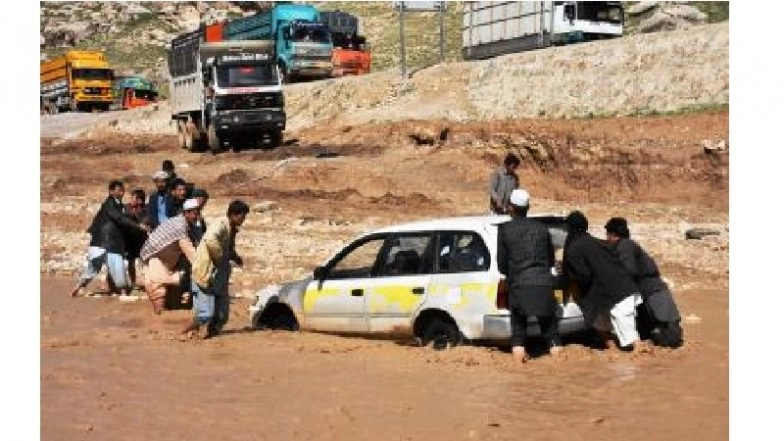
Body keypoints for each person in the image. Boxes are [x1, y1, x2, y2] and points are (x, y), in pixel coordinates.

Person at [563, 211, 646, 352]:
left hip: (611, 292)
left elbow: (584, 276)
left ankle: (628, 348)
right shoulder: (597, 242)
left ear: (569, 228)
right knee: (609, 321)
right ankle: (617, 347)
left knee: (620, 326)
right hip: (621, 287)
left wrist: (570, 283)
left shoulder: (573, 248)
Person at [497, 189, 562, 363]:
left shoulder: (505, 230)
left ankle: (518, 372)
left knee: (518, 334)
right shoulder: (541, 228)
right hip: (543, 284)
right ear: (528, 207)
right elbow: (550, 259)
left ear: (511, 207)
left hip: (519, 285)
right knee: (551, 332)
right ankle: (560, 365)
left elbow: (501, 264)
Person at [604, 217, 683, 348]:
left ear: (613, 235)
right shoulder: (625, 245)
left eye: (608, 235)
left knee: (671, 334)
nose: (607, 238)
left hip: (652, 289)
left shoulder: (625, 245)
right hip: (643, 291)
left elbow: (629, 269)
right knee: (648, 330)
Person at [182, 200, 249, 339]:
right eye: (243, 216)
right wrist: (219, 259)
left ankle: (211, 335)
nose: (244, 220)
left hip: (220, 275)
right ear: (235, 215)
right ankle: (184, 331)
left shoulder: (232, 228)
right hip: (206, 272)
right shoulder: (220, 224)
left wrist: (235, 257)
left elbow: (228, 247)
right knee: (206, 314)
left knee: (222, 316)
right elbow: (211, 240)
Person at [69, 181, 148, 297]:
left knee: (113, 268)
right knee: (96, 268)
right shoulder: (109, 205)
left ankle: (122, 292)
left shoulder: (120, 206)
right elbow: (120, 219)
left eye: (122, 190)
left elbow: (125, 219)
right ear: (111, 192)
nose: (121, 193)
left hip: (110, 243)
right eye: (118, 190)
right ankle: (79, 287)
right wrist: (137, 226)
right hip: (105, 242)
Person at [139, 198, 201, 314]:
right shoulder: (180, 226)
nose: (196, 216)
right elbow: (190, 252)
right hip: (154, 257)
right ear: (186, 213)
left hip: (167, 258)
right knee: (157, 289)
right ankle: (160, 318)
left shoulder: (183, 222)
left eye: (197, 213)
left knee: (172, 288)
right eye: (194, 214)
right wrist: (203, 265)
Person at [124, 189, 149, 289]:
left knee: (144, 261)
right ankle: (133, 283)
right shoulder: (126, 208)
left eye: (133, 198)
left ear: (140, 200)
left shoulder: (146, 210)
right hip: (129, 240)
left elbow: (146, 221)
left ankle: (147, 282)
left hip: (142, 240)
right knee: (130, 262)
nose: (130, 200)